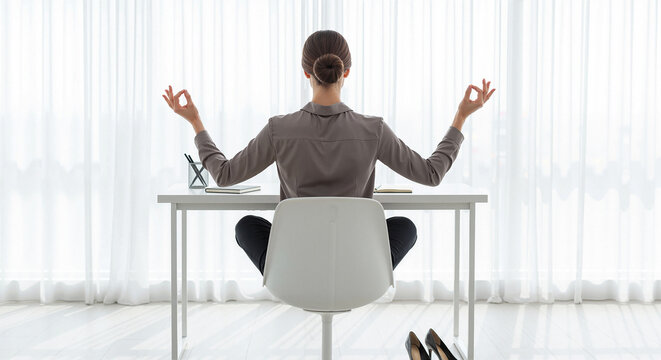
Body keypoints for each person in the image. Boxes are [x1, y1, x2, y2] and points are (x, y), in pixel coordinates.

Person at [162, 30, 495, 277]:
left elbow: (224, 174)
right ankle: (366, 275)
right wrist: (461, 116)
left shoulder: (280, 128)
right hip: (358, 271)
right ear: (346, 72)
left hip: (295, 271)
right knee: (405, 226)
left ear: (306, 72)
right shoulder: (373, 129)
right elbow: (431, 174)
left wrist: (195, 122)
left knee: (246, 226)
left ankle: (285, 274)